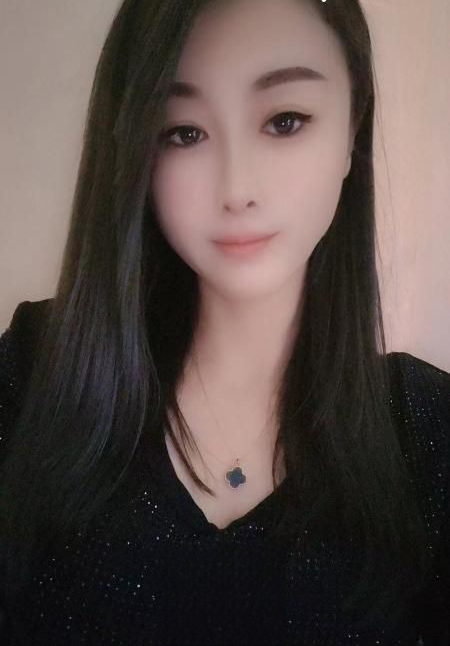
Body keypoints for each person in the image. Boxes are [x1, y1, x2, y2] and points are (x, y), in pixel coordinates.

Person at [0, 0, 449, 644]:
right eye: (183, 132)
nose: (237, 189)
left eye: (285, 121)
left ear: (352, 131)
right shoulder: (33, 378)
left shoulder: (427, 431)